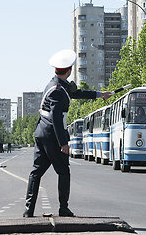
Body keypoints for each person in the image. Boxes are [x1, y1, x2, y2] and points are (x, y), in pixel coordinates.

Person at [23, 49, 114, 218]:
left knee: (36, 172)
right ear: (70, 69)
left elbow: (76, 93)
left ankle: (28, 210)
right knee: (63, 171)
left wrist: (99, 95)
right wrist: (63, 142)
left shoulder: (55, 84)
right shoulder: (58, 90)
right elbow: (56, 118)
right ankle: (63, 208)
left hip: (41, 133)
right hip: (52, 135)